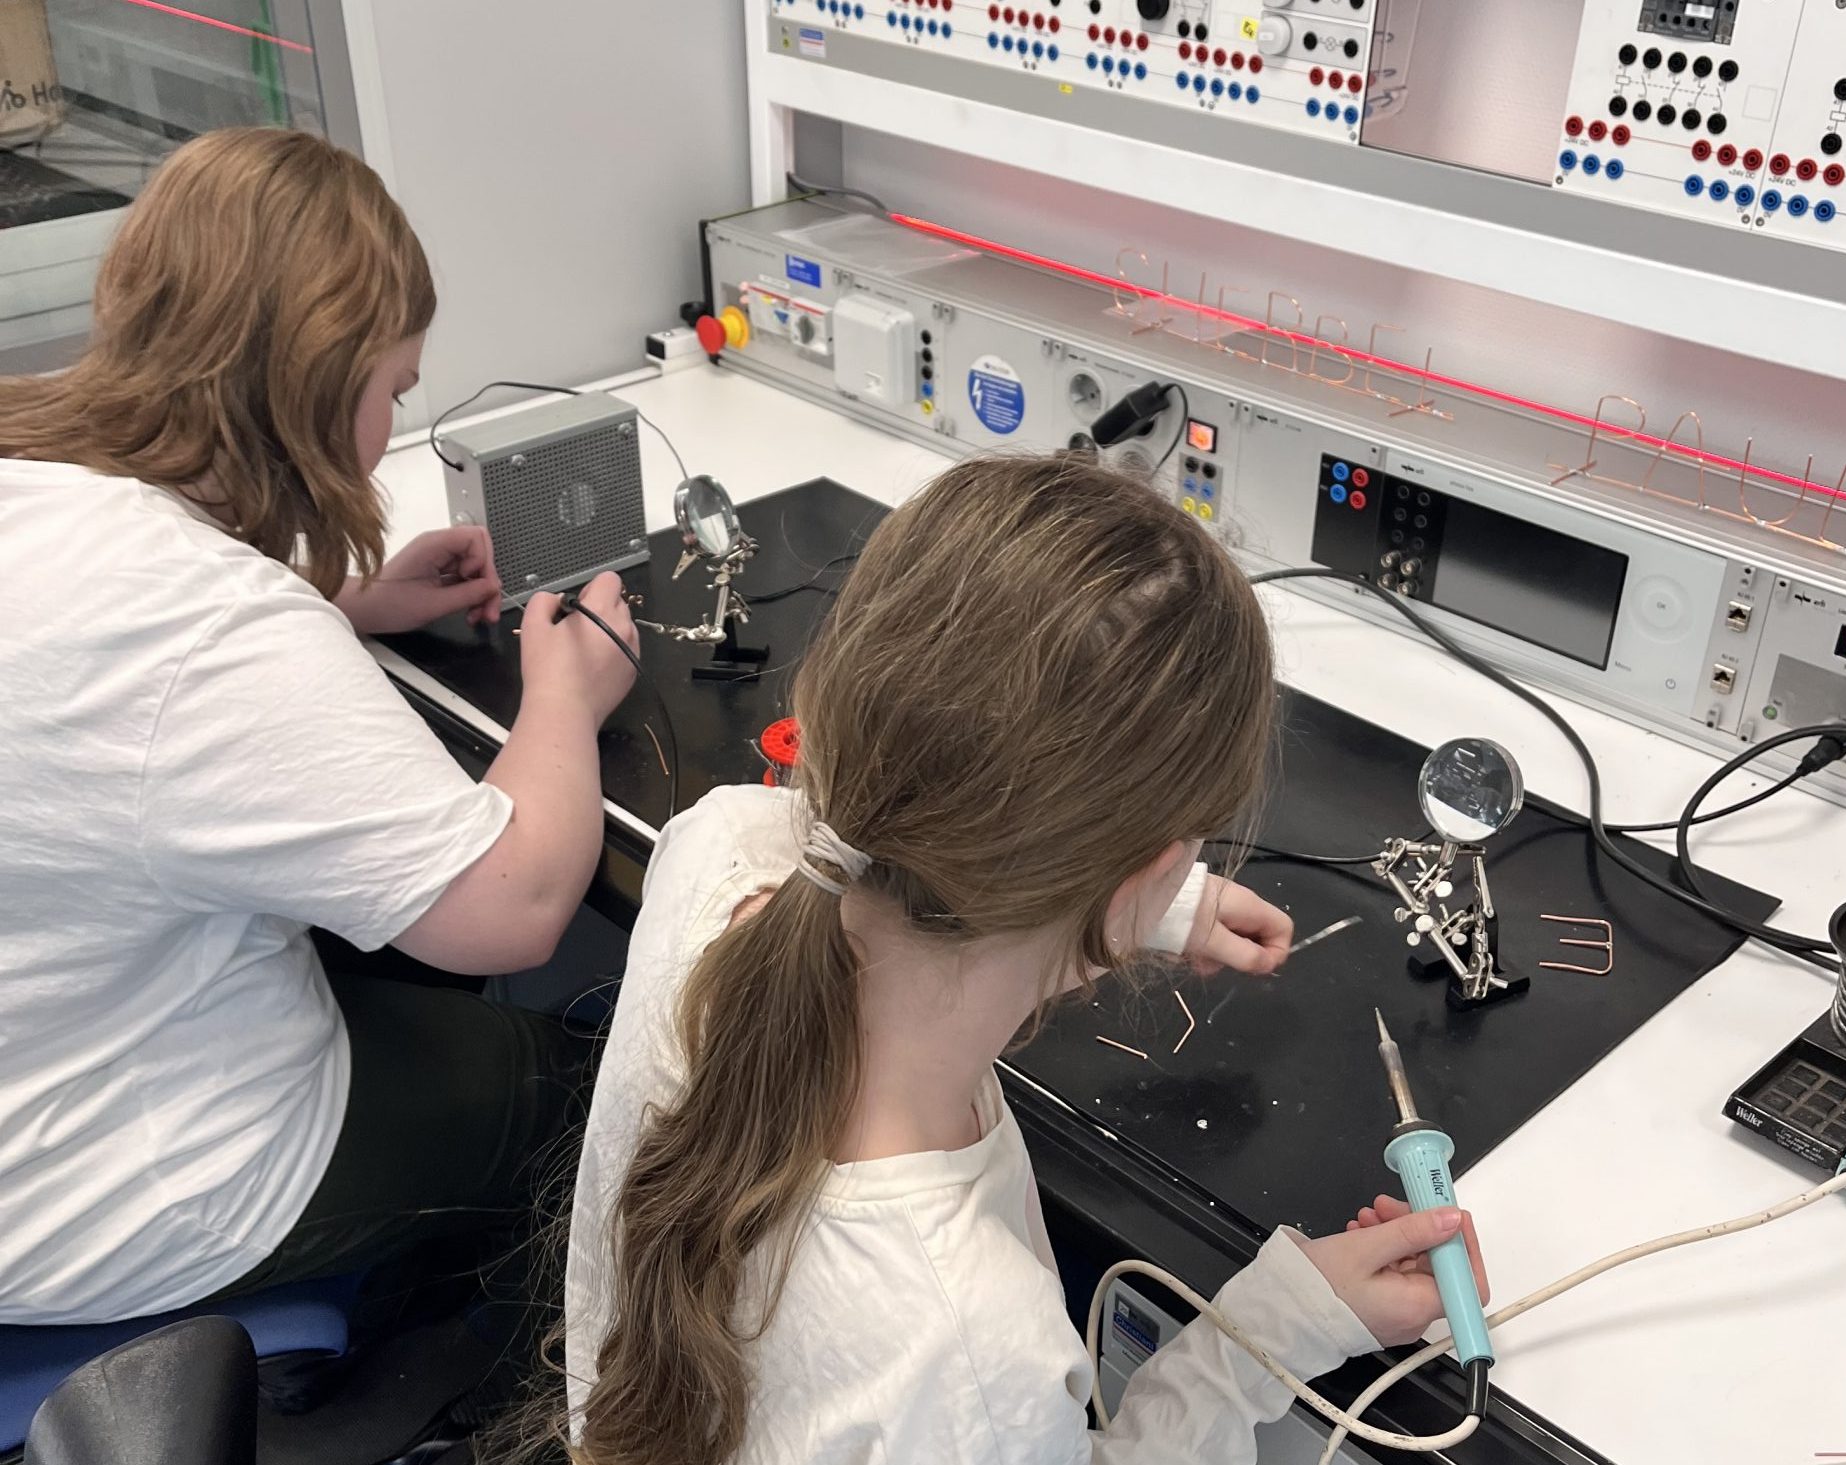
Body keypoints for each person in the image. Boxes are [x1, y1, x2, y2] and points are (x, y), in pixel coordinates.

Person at [561, 455, 1489, 1464]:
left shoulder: (716, 845)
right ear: (1141, 872)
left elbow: (861, 825)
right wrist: (1274, 1329)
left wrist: (1140, 903)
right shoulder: (972, 1352)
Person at [0, 127, 637, 1327]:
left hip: (40, 1064)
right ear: (317, 383)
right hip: (108, 1184)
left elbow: (108, 682)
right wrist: (567, 693)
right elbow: (511, 908)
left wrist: (334, 596)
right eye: (392, 390)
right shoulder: (208, 630)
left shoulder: (27, 465)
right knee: (605, 1104)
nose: (393, 422)